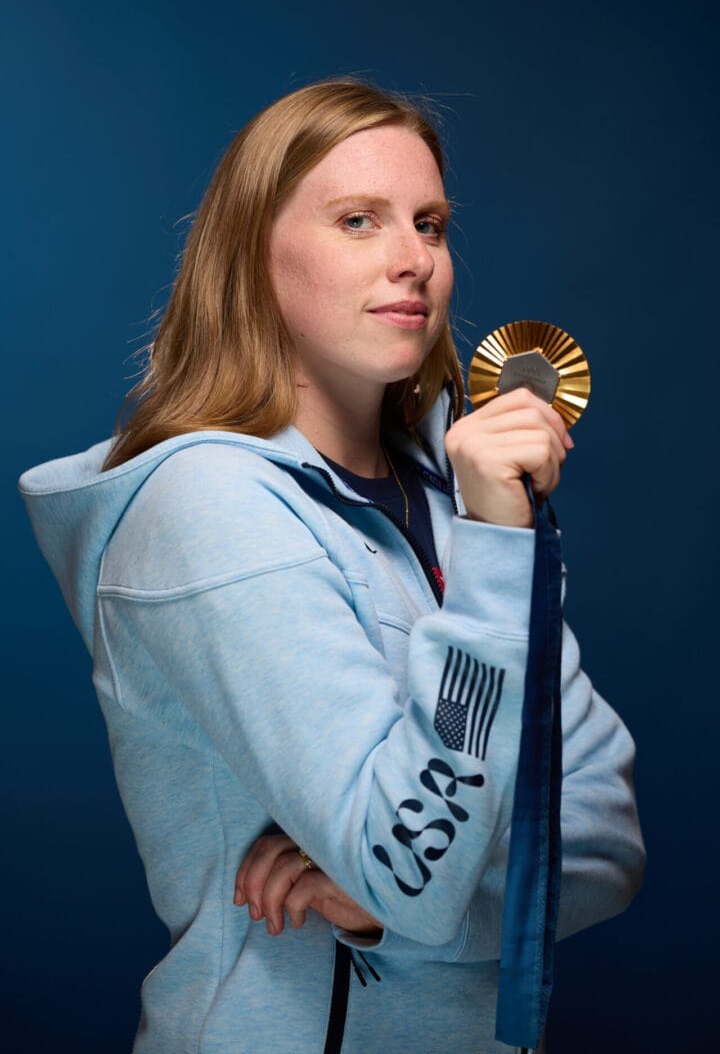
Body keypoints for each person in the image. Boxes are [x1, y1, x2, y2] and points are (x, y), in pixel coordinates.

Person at [20, 78, 645, 1053]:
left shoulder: (457, 503)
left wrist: (407, 915)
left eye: (430, 224)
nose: (413, 261)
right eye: (359, 221)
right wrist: (417, 898)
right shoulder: (209, 507)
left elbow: (606, 844)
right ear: (252, 258)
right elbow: (417, 875)